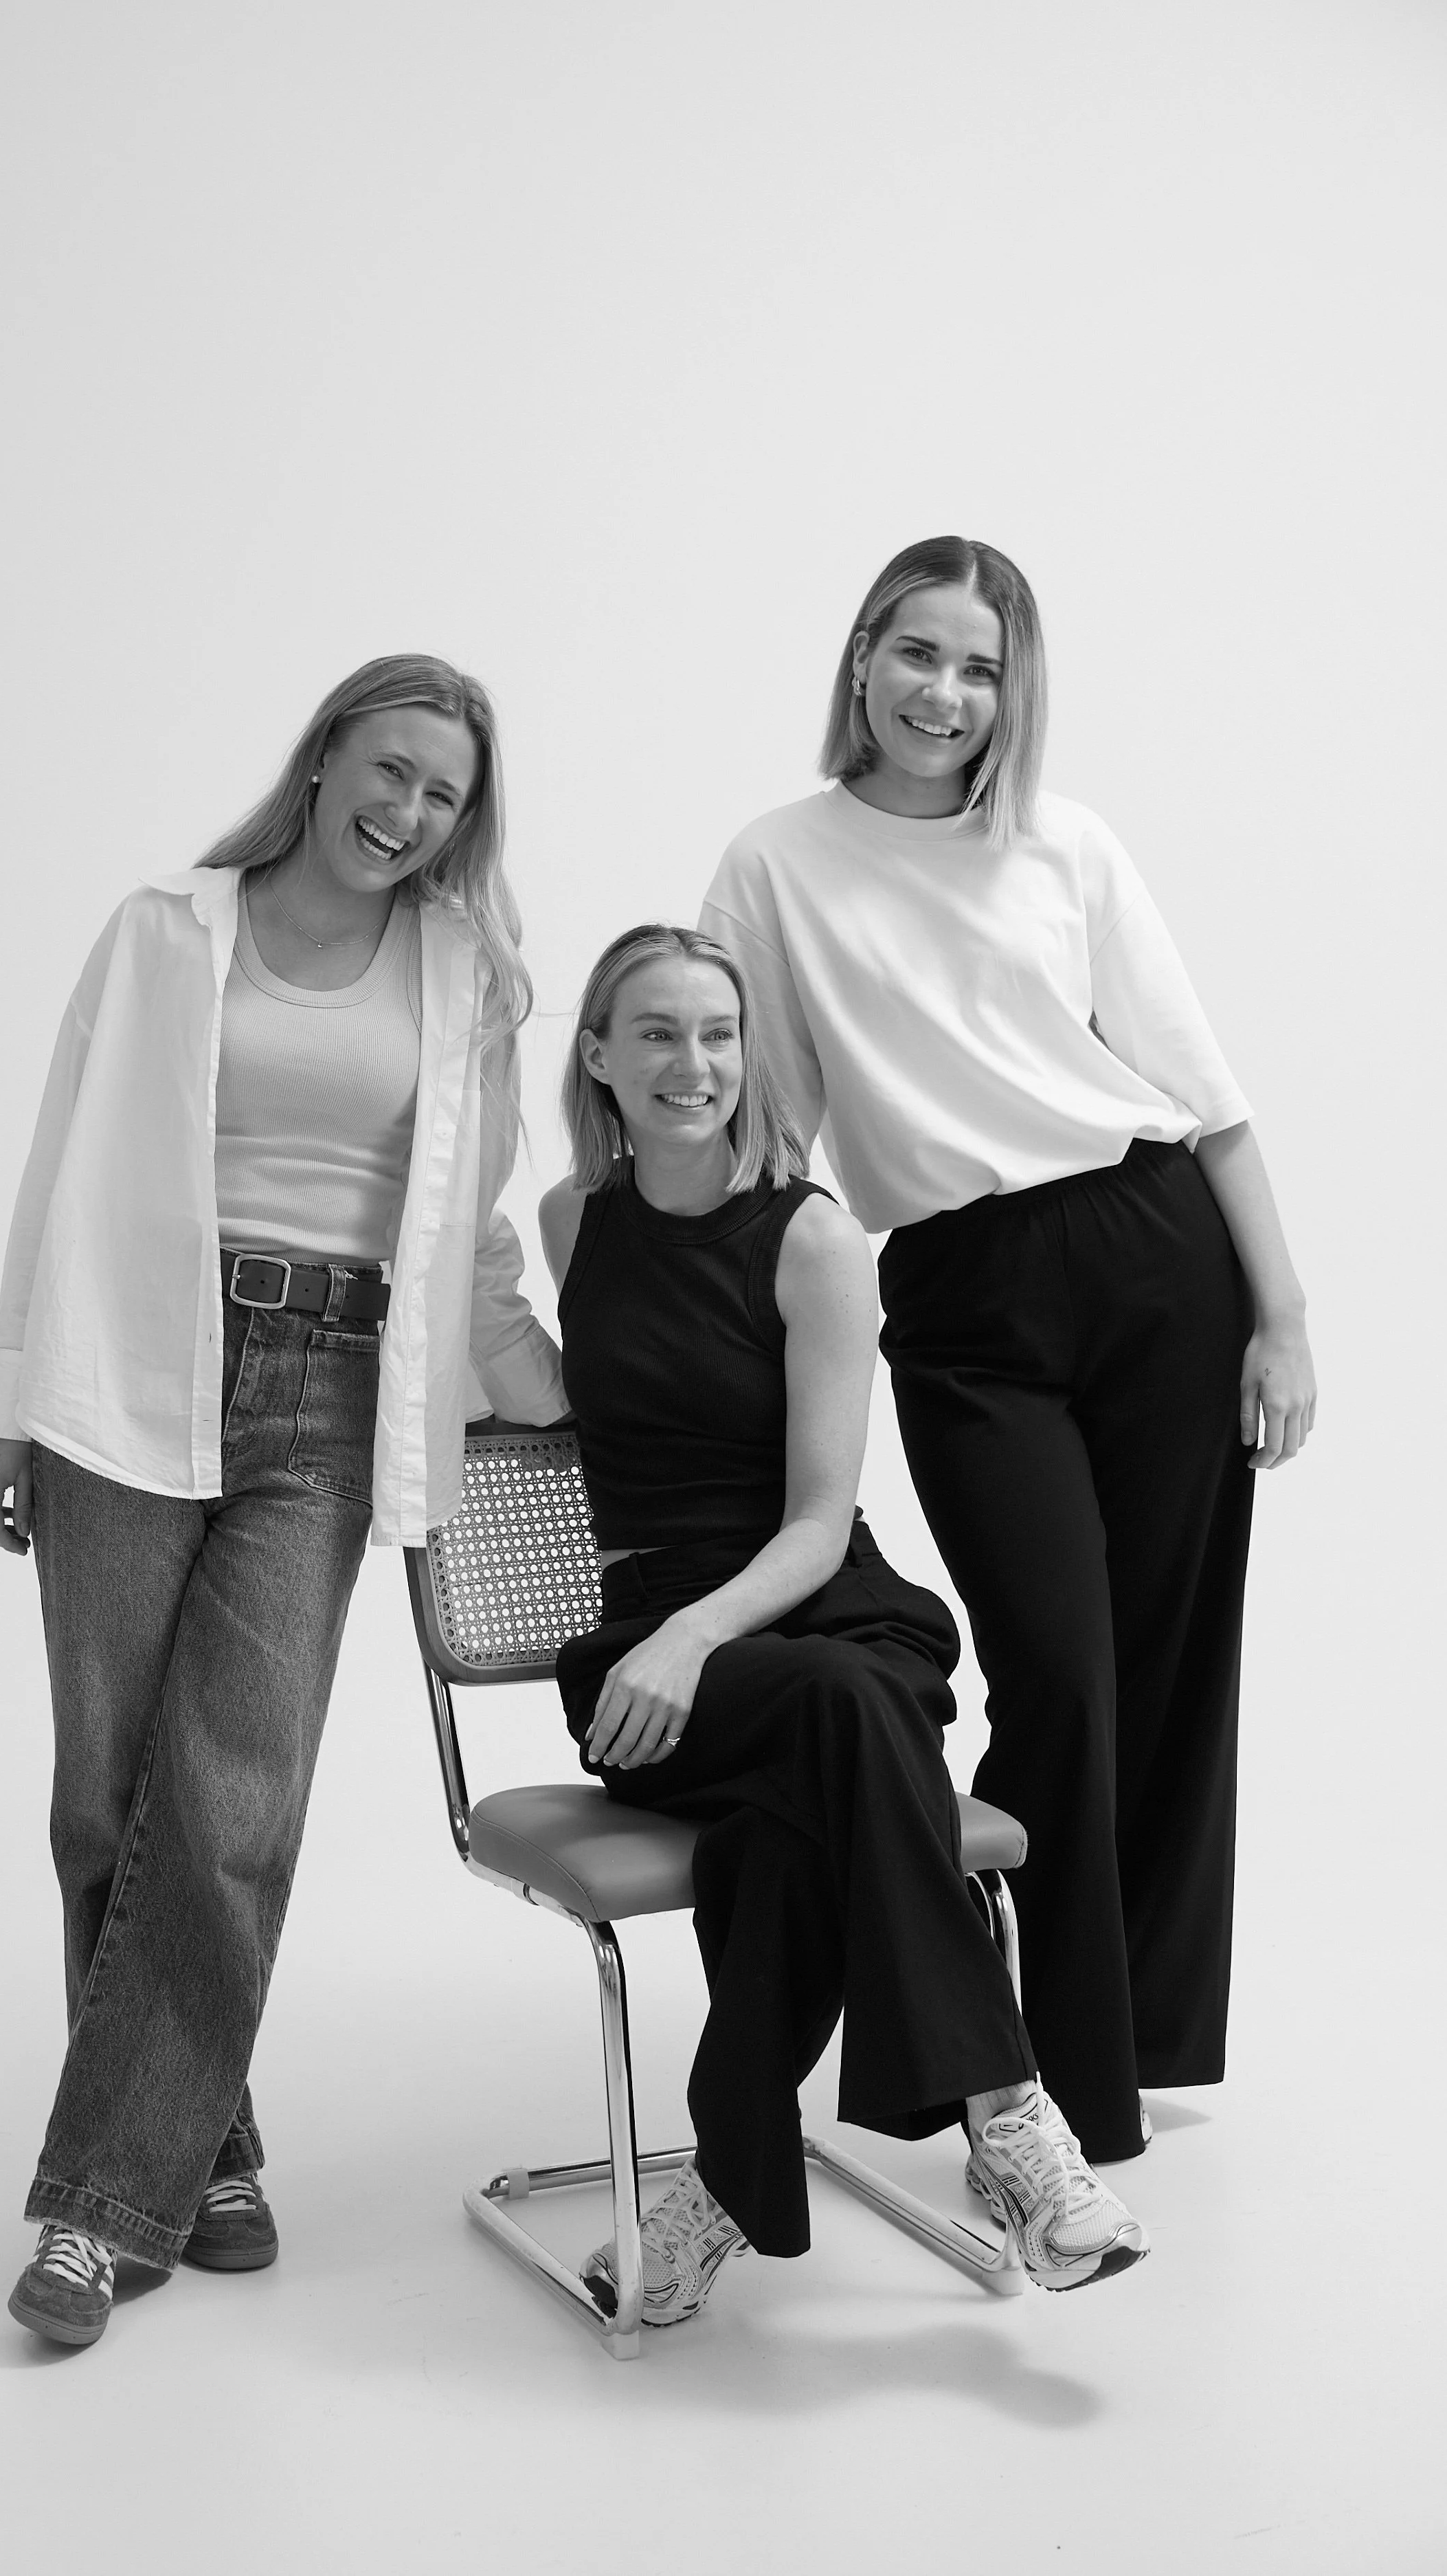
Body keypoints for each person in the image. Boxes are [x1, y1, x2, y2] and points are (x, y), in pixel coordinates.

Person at [0, 654, 565, 2349]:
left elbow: (472, 1227)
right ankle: (205, 2144)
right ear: (320, 762)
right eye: (389, 771)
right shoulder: (165, 928)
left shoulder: (466, 972)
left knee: (229, 1798)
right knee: (106, 1800)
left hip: (329, 1395)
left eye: (442, 794)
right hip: (126, 1372)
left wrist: (565, 1391)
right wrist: (6, 1409)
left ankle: (97, 2213)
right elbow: (57, 1168)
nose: (408, 813)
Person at [699, 537, 1316, 2168]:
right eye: (917, 653)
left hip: (1151, 1250)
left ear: (1010, 692)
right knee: (1055, 1668)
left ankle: (1131, 2043)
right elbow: (764, 1118)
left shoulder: (1063, 842)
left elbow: (1203, 1091)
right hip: (960, 1292)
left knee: (1165, 1662)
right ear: (860, 658)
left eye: (979, 668)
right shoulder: (774, 861)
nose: (943, 693)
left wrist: (1282, 1316)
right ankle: (1032, 2081)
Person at [537, 922, 1147, 2328]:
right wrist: (670, 1642)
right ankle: (1007, 2117)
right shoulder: (573, 1222)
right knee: (837, 1738)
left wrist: (694, 1635)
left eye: (718, 1033)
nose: (692, 1063)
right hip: (652, 1662)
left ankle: (725, 2193)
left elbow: (818, 1523)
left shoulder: (812, 1238)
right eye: (656, 1032)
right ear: (599, 1056)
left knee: (804, 1789)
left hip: (818, 1613)